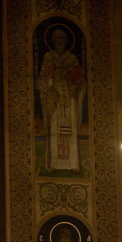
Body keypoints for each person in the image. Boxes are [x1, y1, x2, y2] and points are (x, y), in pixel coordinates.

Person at [38, 28, 86, 172]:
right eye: (57, 38)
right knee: (54, 128)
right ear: (53, 41)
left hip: (69, 98)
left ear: (66, 40)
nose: (59, 41)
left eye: (62, 38)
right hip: (54, 99)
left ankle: (73, 164)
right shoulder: (49, 57)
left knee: (71, 129)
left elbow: (80, 80)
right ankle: (54, 164)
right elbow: (42, 80)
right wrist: (50, 82)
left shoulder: (72, 58)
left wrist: (75, 82)